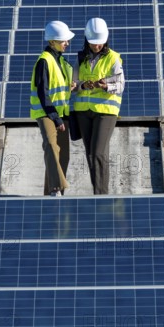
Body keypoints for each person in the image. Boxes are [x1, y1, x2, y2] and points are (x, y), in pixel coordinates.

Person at [73, 17, 125, 195]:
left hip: (106, 112)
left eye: (100, 43)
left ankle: (102, 195)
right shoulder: (80, 58)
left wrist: (106, 86)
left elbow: (120, 85)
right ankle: (98, 192)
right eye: (94, 43)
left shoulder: (113, 58)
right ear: (87, 40)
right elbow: (73, 84)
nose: (97, 46)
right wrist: (83, 85)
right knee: (91, 155)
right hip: (83, 112)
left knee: (98, 153)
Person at [30, 20, 75, 197]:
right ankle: (56, 188)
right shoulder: (44, 61)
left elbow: (60, 88)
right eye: (63, 40)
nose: (67, 43)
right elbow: (43, 92)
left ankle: (52, 191)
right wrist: (55, 117)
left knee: (62, 155)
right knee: (51, 146)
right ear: (52, 42)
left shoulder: (61, 62)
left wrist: (70, 87)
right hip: (46, 113)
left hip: (62, 112)